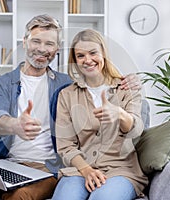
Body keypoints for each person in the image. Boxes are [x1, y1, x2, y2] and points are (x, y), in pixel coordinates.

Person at [0, 15, 141, 200]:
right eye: (36, 41)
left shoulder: (66, 85)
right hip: (5, 163)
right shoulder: (2, 83)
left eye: (49, 44)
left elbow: (97, 79)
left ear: (57, 49)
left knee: (22, 197)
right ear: (25, 42)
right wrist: (15, 125)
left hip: (46, 168)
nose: (42, 49)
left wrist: (129, 81)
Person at [52, 29, 148, 200]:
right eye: (80, 56)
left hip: (121, 170)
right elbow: (66, 146)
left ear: (103, 53)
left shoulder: (126, 88)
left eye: (93, 53)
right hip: (80, 170)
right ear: (75, 61)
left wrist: (119, 114)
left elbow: (136, 130)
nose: (87, 60)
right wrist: (87, 170)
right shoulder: (66, 95)